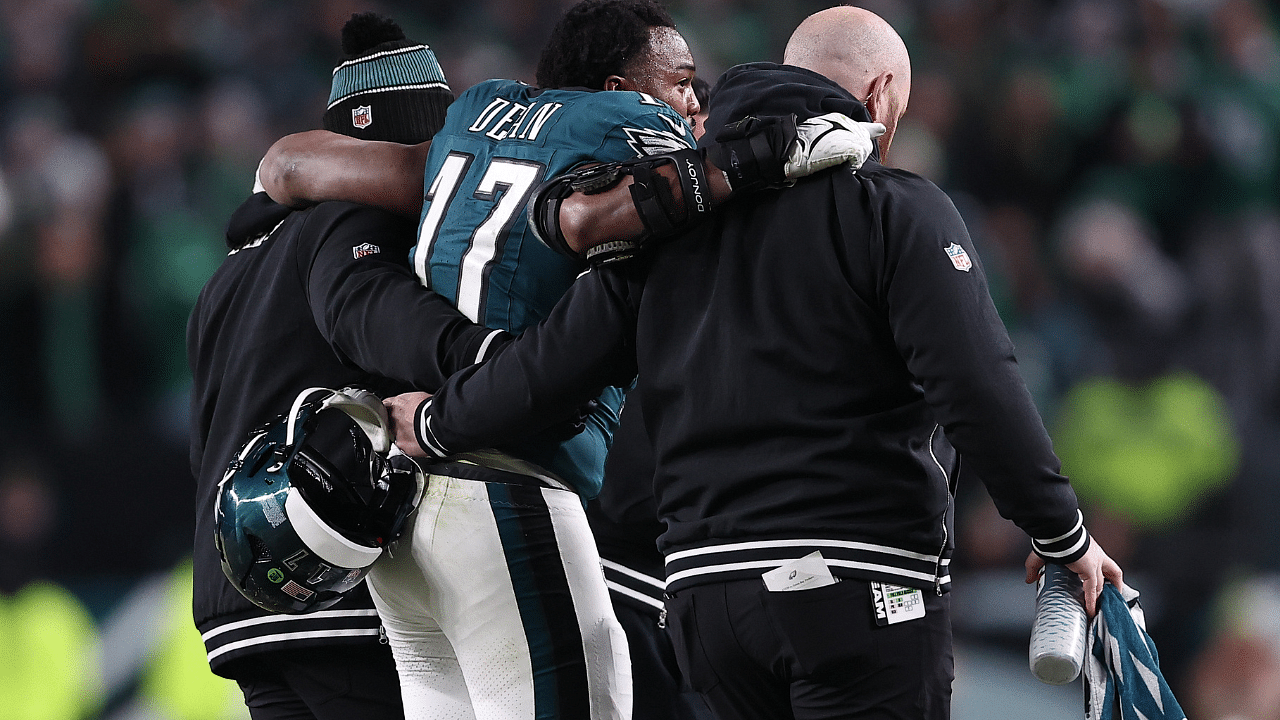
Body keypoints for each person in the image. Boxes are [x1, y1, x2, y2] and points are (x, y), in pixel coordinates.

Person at [381, 6, 1127, 720]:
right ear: (880, 95)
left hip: (707, 604)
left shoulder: (668, 219)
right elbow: (978, 383)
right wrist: (1061, 535)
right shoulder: (894, 206)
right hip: (855, 586)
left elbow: (552, 365)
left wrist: (441, 421)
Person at [255, 2, 879, 718]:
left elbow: (286, 164)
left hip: (407, 505)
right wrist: (754, 162)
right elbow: (595, 215)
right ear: (621, 90)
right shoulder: (629, 135)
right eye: (680, 82)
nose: (694, 102)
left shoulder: (476, 118)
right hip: (506, 481)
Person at [187, 14, 505, 720]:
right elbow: (367, 310)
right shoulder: (354, 215)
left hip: (245, 594)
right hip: (334, 581)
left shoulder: (227, 273)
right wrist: (481, 356)